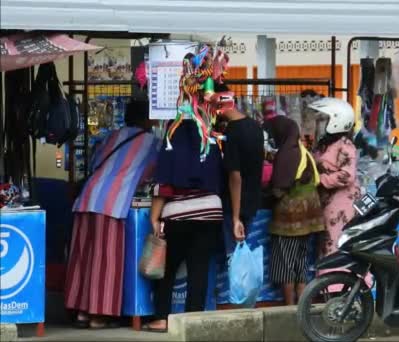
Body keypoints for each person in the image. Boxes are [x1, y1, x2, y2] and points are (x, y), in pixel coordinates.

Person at [66, 99, 160, 329]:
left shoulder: (112, 136)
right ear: (147, 118)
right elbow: (150, 175)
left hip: (87, 198)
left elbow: (97, 162)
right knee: (105, 260)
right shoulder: (153, 143)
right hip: (112, 203)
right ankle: (99, 316)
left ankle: (81, 313)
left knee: (83, 256)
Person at [143, 115, 225, 333]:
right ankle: (193, 320)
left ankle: (161, 318)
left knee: (167, 269)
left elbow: (164, 185)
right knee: (199, 270)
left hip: (178, 216)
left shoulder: (172, 146)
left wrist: (154, 217)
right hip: (211, 213)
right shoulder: (212, 143)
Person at [264, 115, 324, 305]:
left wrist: (263, 196)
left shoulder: (286, 154)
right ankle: (301, 304)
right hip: (309, 219)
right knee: (301, 264)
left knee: (285, 264)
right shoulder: (302, 150)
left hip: (290, 220)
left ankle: (289, 306)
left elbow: (279, 189)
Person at [308, 98, 360, 267]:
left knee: (334, 244)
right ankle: (326, 286)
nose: (320, 123)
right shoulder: (324, 144)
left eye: (324, 119)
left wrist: (321, 180)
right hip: (325, 201)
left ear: (337, 120)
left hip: (341, 203)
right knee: (325, 244)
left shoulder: (345, 146)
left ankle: (337, 286)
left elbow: (347, 175)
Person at [220, 85, 265, 242]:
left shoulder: (232, 131)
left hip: (235, 206)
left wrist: (235, 217)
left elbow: (235, 175)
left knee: (233, 261)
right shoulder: (256, 127)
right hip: (252, 204)